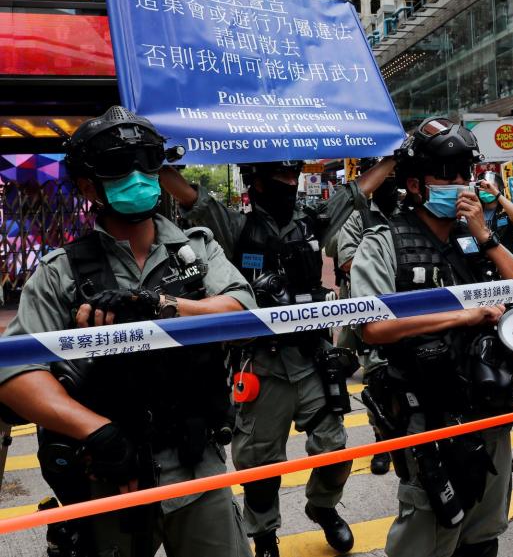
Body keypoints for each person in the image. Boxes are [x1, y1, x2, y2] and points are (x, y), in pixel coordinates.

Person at [0, 106, 254, 557]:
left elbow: (242, 311)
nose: (138, 177)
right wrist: (97, 431)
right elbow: (16, 372)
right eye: (120, 167)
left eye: (147, 163)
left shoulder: (196, 251)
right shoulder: (60, 273)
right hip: (109, 474)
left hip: (199, 464)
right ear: (87, 187)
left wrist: (163, 306)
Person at [160, 155, 396, 556]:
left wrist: (393, 154)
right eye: (281, 176)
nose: (290, 182)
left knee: (334, 449)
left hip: (312, 357)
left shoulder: (312, 219)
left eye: (294, 174)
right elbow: (189, 197)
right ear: (257, 182)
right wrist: (157, 161)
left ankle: (323, 508)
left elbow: (359, 190)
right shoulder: (235, 225)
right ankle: (265, 534)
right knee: (260, 463)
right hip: (262, 363)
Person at [350, 117, 513, 557]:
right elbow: (371, 327)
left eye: (466, 174)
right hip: (426, 409)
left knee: (484, 529)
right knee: (430, 530)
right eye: (447, 176)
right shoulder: (385, 240)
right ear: (414, 184)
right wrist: (460, 318)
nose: (461, 185)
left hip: (488, 401)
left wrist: (486, 235)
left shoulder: (477, 239)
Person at [335, 165, 401, 476]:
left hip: (405, 310)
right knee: (377, 375)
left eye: (393, 179)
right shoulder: (357, 217)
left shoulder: (407, 213)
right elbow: (348, 262)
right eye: (384, 179)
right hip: (369, 308)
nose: (390, 185)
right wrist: (385, 265)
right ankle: (382, 442)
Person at [478, 173, 513, 258]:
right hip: (484, 262)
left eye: (491, 186)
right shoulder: (476, 210)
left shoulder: (505, 209)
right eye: (483, 187)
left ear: (499, 189)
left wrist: (497, 194)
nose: (487, 190)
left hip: (508, 260)